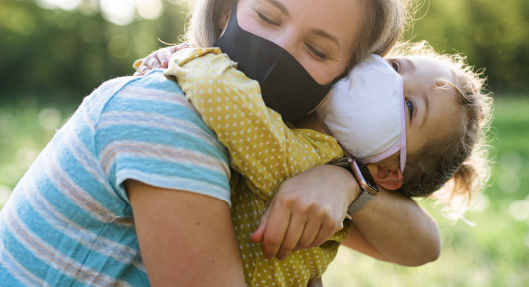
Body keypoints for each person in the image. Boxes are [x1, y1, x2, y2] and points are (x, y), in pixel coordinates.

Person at [0, 0, 442, 286]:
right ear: (226, 10)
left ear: (344, 80)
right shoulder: (167, 113)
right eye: (266, 17)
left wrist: (345, 183)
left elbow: (422, 245)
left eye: (318, 51)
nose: (278, 47)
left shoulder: (273, 147)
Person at [134, 38, 491, 286]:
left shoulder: (312, 157)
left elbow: (427, 246)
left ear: (387, 171)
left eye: (409, 106)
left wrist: (192, 58)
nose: (386, 81)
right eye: (396, 67)